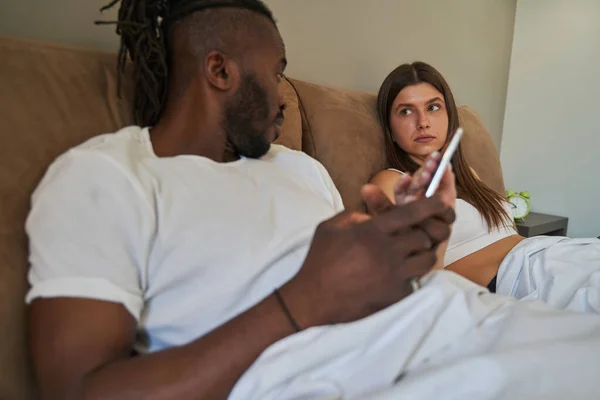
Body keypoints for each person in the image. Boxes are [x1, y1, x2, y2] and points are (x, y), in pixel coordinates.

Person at [25, 2, 600, 399]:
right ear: (219, 69)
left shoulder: (298, 168)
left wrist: (414, 247)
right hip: (393, 372)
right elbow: (81, 389)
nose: (284, 95)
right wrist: (303, 298)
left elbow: (368, 279)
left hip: (476, 321)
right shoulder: (105, 176)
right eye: (275, 71)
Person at [371, 61, 600, 314]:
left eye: (433, 107)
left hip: (547, 255)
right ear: (390, 129)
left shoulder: (468, 174)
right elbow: (412, 280)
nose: (423, 122)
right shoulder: (392, 182)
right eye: (406, 111)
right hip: (518, 282)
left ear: (449, 117)